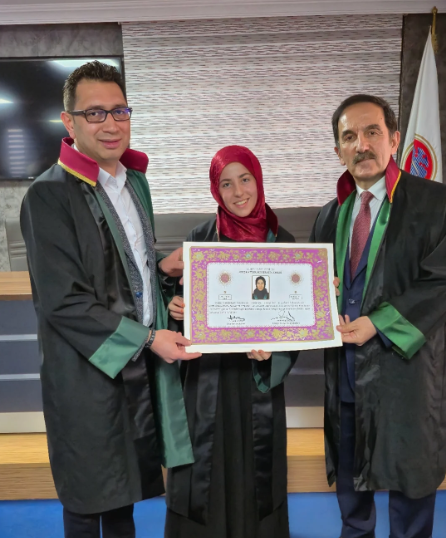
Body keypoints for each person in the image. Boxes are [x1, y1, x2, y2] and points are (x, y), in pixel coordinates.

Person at [20, 61, 201, 538]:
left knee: (124, 495)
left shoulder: (133, 182)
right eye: (95, 113)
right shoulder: (48, 196)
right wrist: (149, 339)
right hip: (85, 372)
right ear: (69, 121)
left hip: (134, 368)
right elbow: (63, 301)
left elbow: (122, 264)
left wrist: (161, 265)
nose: (111, 124)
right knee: (87, 498)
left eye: (119, 111)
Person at [309, 94, 446, 538]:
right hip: (346, 372)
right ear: (338, 150)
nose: (361, 145)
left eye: (372, 132)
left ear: (394, 139)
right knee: (350, 484)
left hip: (406, 374)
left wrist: (378, 322)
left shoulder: (435, 202)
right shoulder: (330, 215)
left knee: (410, 484)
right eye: (349, 137)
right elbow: (314, 290)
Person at [165, 145, 297, 538]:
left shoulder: (283, 242)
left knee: (257, 475)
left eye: (245, 179)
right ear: (215, 189)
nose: (238, 192)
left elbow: (294, 322)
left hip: (257, 380)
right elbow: (180, 302)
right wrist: (176, 306)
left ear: (258, 180)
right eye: (226, 183)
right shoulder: (199, 240)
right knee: (203, 473)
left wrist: (276, 349)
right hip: (208, 380)